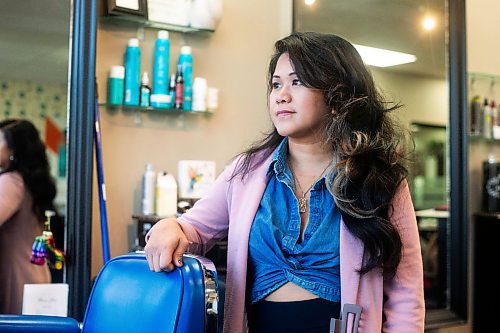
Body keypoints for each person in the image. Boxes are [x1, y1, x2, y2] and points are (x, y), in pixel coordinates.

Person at [145, 32, 424, 332]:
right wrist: (168, 226)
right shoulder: (245, 172)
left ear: (337, 96)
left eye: (297, 82)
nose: (281, 95)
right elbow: (193, 229)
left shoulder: (380, 180)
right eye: (276, 84)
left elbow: (406, 297)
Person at [0, 119, 56, 314]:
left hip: (16, 278)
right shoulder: (29, 183)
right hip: (35, 274)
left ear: (13, 149)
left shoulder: (11, 182)